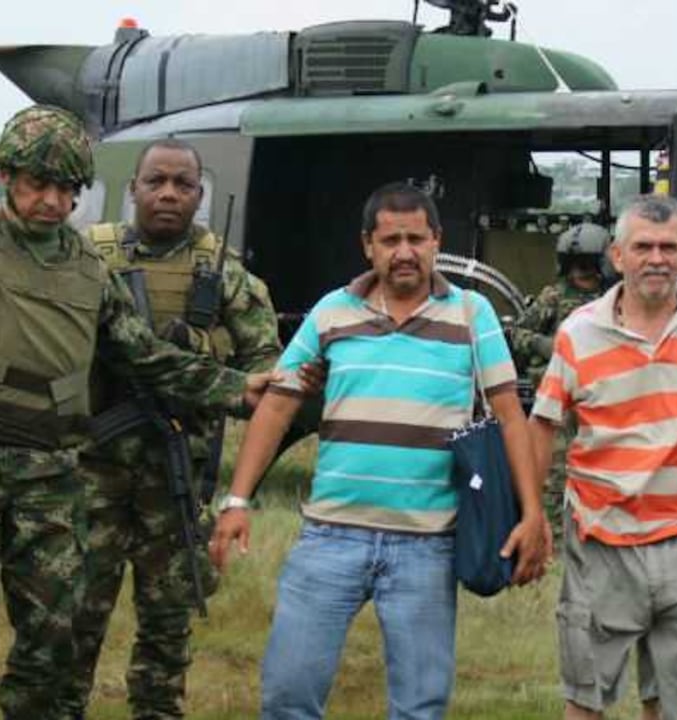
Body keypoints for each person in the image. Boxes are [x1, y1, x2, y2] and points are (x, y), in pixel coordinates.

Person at [0, 105, 274, 719]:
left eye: (65, 188)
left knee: (51, 645)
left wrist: (238, 388)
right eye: (37, 184)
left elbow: (143, 356)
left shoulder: (87, 266)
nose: (50, 201)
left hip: (51, 474)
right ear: (6, 177)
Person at [210, 182, 549, 719]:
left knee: (420, 706)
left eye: (416, 237)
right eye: (391, 239)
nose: (404, 251)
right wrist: (235, 501)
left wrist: (532, 514)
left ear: (437, 241)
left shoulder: (470, 313)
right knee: (287, 694)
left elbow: (510, 415)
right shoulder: (331, 312)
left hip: (427, 544)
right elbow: (276, 405)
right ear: (368, 245)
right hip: (329, 538)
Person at [63, 139, 283, 718]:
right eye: (155, 181)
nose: (167, 194)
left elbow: (268, 377)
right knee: (74, 621)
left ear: (199, 194)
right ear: (133, 187)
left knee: (166, 633)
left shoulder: (224, 274)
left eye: (182, 185)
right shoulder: (90, 256)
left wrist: (202, 353)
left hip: (177, 473)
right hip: (93, 471)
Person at [529, 194, 677, 720]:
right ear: (617, 256)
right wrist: (531, 516)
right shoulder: (579, 332)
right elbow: (541, 425)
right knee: (586, 700)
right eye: (643, 247)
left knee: (674, 703)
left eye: (668, 247)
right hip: (600, 541)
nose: (656, 258)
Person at [510, 222, 609, 538]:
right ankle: (548, 529)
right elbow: (517, 334)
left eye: (589, 266)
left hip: (600, 397)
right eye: (578, 266)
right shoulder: (552, 297)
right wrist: (545, 346)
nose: (583, 273)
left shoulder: (613, 299)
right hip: (558, 399)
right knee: (552, 469)